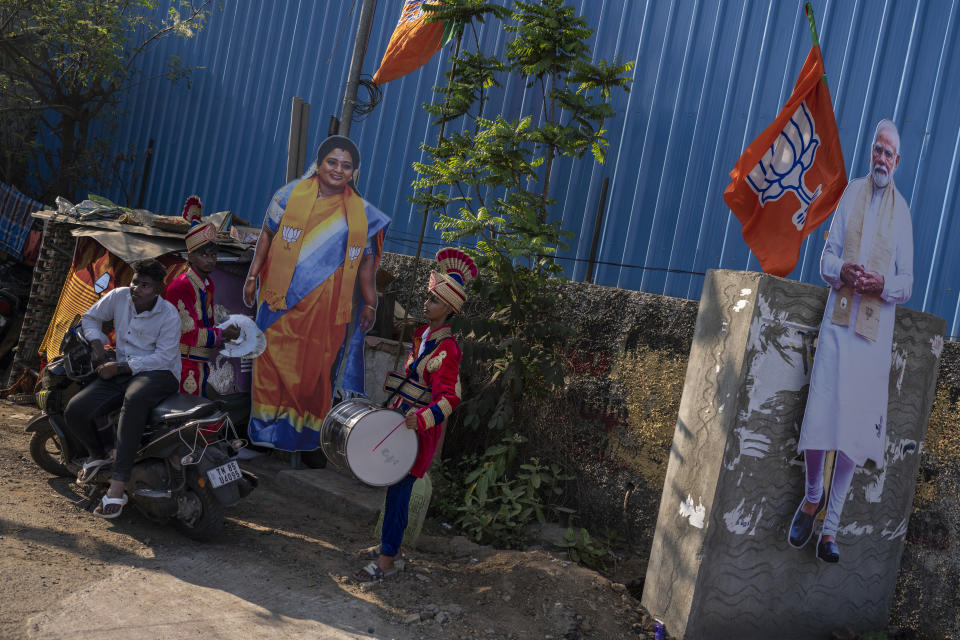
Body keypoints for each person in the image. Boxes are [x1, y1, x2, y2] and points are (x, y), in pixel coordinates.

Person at [788, 119, 914, 563]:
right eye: (877, 150)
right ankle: (811, 496)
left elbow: (907, 283)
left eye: (889, 154)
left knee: (854, 434)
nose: (881, 159)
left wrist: (881, 282)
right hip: (839, 328)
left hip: (872, 340)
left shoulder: (904, 215)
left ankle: (830, 528)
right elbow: (826, 258)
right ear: (871, 154)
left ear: (898, 162)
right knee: (822, 415)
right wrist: (843, 272)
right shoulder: (850, 195)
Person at [242, 136, 390, 451]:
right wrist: (252, 276)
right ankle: (264, 433)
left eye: (346, 165)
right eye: (332, 162)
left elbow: (365, 265)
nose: (338, 170)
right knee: (269, 364)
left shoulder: (360, 214)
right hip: (279, 303)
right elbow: (267, 237)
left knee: (315, 375)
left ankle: (305, 437)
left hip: (325, 310)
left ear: (354, 172)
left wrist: (371, 302)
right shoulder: (287, 195)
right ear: (319, 164)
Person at [355, 248, 476, 582]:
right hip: (401, 422)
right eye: (427, 298)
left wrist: (421, 419)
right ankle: (390, 547)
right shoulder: (422, 336)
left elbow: (451, 398)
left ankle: (388, 562)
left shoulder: (448, 349)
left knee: (398, 494)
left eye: (434, 300)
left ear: (449, 308)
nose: (426, 304)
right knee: (393, 488)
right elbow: (416, 381)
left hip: (418, 431)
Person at [64, 258, 182, 518]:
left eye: (146, 285)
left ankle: (118, 486)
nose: (137, 289)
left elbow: (163, 357)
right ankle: (101, 453)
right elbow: (90, 318)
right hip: (121, 368)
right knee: (76, 409)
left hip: (158, 373)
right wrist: (96, 344)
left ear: (158, 290)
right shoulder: (119, 296)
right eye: (135, 282)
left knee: (135, 398)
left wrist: (120, 368)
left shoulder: (169, 315)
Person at [163, 196, 241, 396]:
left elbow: (205, 327)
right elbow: (189, 334)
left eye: (213, 255)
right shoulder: (181, 287)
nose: (210, 260)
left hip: (199, 364)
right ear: (190, 257)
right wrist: (224, 334)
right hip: (183, 364)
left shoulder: (206, 285)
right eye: (203, 255)